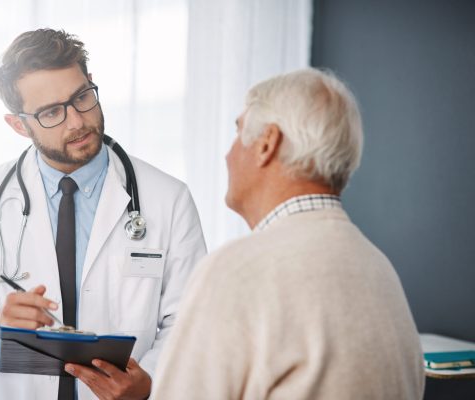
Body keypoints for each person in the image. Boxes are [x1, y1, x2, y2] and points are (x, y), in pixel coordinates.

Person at [0, 28, 206, 400]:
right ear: (18, 125)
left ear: (92, 84)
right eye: (51, 113)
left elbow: (190, 321)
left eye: (81, 98)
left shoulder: (168, 198)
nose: (76, 121)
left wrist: (150, 382)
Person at [150, 68, 425, 399]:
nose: (228, 154)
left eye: (237, 134)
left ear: (267, 143)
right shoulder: (380, 270)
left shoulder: (235, 272)